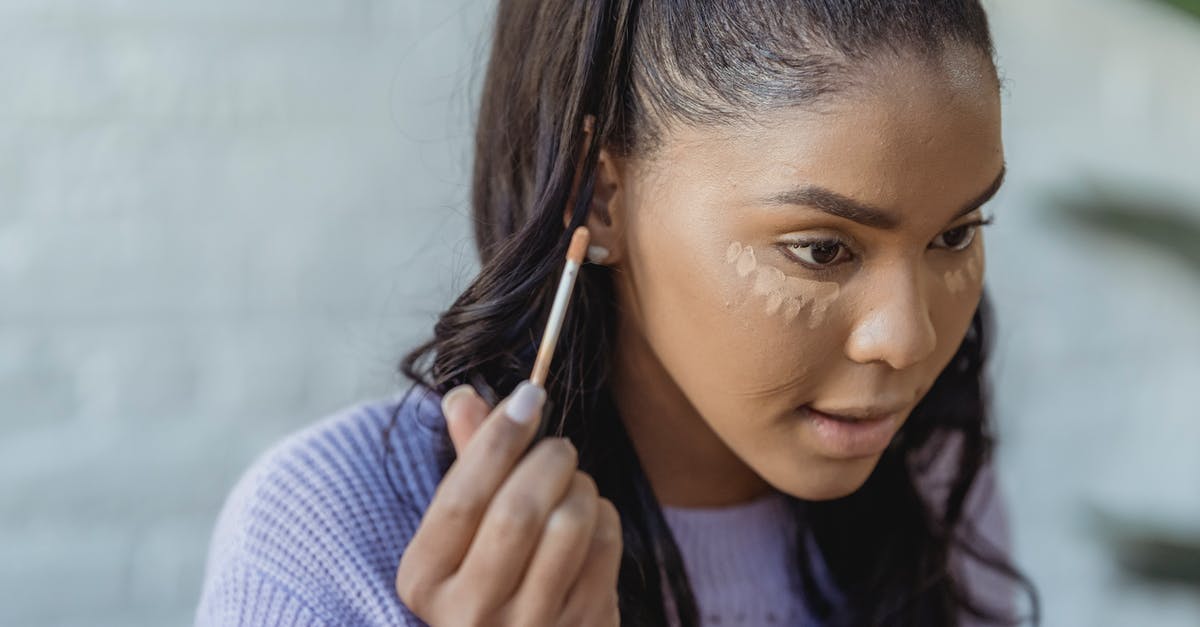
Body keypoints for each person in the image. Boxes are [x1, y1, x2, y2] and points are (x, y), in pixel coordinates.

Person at [195, 1, 1041, 625]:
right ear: (598, 198)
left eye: (956, 232)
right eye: (821, 249)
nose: (910, 338)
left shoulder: (928, 483)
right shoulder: (338, 533)